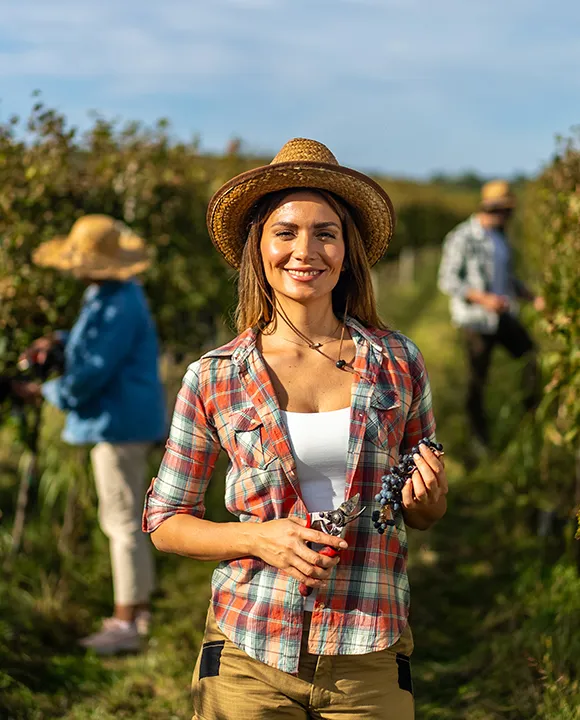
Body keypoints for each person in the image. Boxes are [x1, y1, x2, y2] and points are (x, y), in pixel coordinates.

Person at [144, 139, 448, 719]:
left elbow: (424, 515)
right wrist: (258, 539)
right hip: (249, 649)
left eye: (325, 233)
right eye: (285, 232)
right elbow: (164, 523)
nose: (305, 250)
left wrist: (429, 497)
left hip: (368, 646)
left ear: (346, 249)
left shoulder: (398, 361)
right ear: (258, 248)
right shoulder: (215, 376)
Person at [13, 215, 166, 655]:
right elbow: (89, 345)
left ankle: (125, 623)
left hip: (117, 423)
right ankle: (139, 608)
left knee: (119, 521)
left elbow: (91, 373)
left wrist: (45, 390)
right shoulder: (109, 293)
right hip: (124, 419)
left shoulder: (118, 302)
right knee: (129, 515)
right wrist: (58, 339)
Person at [438, 180, 544, 455]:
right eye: (505, 211)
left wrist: (531, 297)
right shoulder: (462, 237)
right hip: (477, 321)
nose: (508, 217)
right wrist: (484, 299)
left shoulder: (500, 238)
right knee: (477, 381)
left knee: (530, 356)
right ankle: (479, 440)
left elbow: (506, 278)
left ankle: (530, 418)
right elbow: (448, 280)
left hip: (502, 315)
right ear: (492, 208)